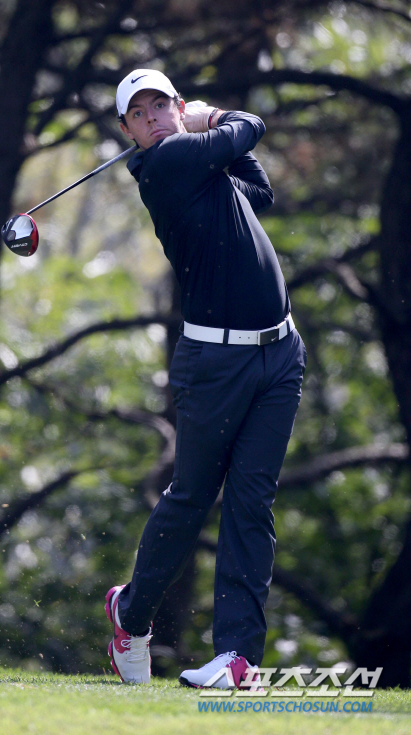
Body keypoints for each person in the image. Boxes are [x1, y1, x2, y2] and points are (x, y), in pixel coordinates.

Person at [105, 69, 307, 688]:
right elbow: (251, 127)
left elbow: (258, 191)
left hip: (280, 353)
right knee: (192, 497)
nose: (153, 119)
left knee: (252, 501)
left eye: (160, 106)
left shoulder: (196, 164)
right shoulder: (165, 164)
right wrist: (212, 118)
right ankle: (130, 615)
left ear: (176, 105)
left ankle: (237, 657)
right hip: (214, 364)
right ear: (128, 131)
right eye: (139, 114)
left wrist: (208, 130)